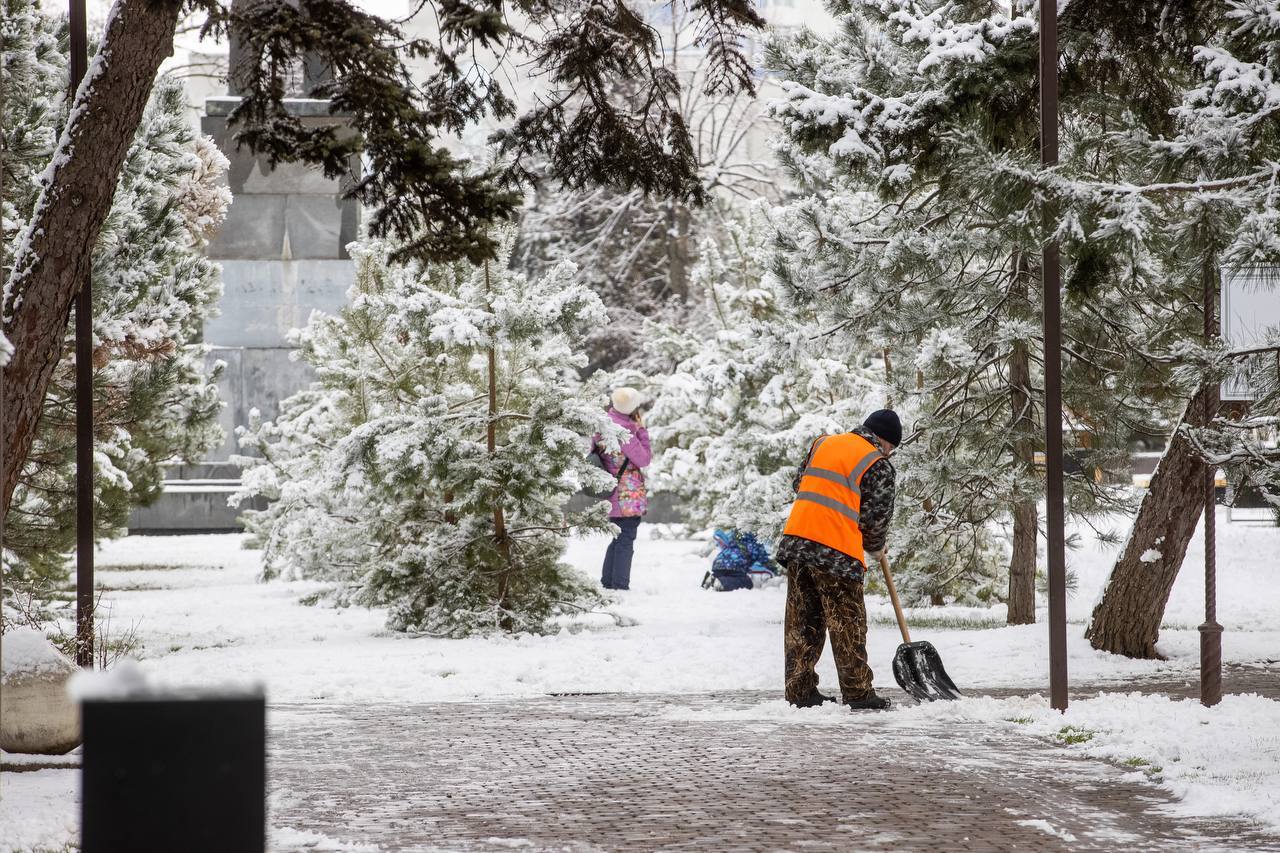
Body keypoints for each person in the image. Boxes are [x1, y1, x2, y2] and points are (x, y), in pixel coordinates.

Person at [776, 409, 900, 711]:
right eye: (892, 449)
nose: (891, 454)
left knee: (803, 622)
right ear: (885, 442)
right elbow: (876, 516)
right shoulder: (877, 463)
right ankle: (858, 692)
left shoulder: (823, 444)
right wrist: (875, 546)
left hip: (798, 542)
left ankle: (800, 690)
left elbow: (799, 485)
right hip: (836, 552)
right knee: (848, 623)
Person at [594, 387, 652, 590]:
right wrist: (642, 430)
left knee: (618, 537)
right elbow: (643, 459)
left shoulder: (604, 423)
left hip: (612, 489)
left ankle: (609, 582)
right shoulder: (625, 430)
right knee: (626, 538)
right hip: (627, 492)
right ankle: (620, 585)